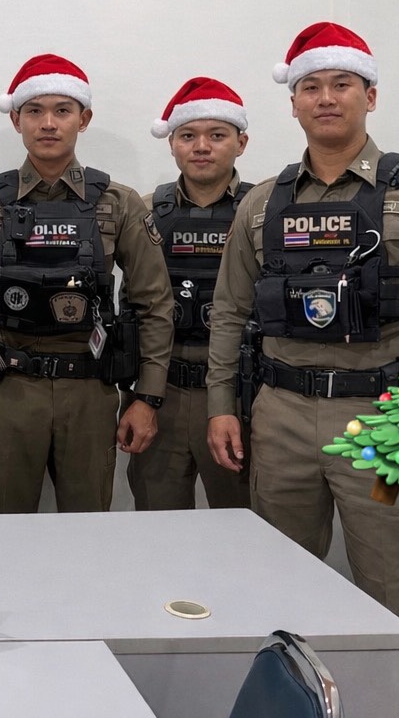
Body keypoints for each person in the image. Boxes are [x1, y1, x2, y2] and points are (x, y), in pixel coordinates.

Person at [205, 22, 399, 718]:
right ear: (294, 103)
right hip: (280, 418)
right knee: (279, 601)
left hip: (389, 423)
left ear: (370, 96)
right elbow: (229, 311)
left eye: (342, 84)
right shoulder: (263, 203)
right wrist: (221, 404)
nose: (326, 98)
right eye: (311, 86)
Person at [0, 54, 173, 513]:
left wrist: (147, 398)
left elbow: (154, 306)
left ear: (83, 119)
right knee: (6, 527)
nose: (48, 123)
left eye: (62, 110)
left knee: (88, 531)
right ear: (16, 120)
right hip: (6, 393)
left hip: (90, 394)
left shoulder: (119, 203)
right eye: (35, 111)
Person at [128, 77, 253, 510]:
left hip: (240, 395)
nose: (201, 147)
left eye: (217, 135)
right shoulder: (145, 211)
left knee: (241, 525)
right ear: (172, 144)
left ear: (241, 142)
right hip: (162, 394)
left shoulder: (263, 211)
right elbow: (130, 304)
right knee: (158, 526)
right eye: (188, 136)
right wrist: (140, 396)